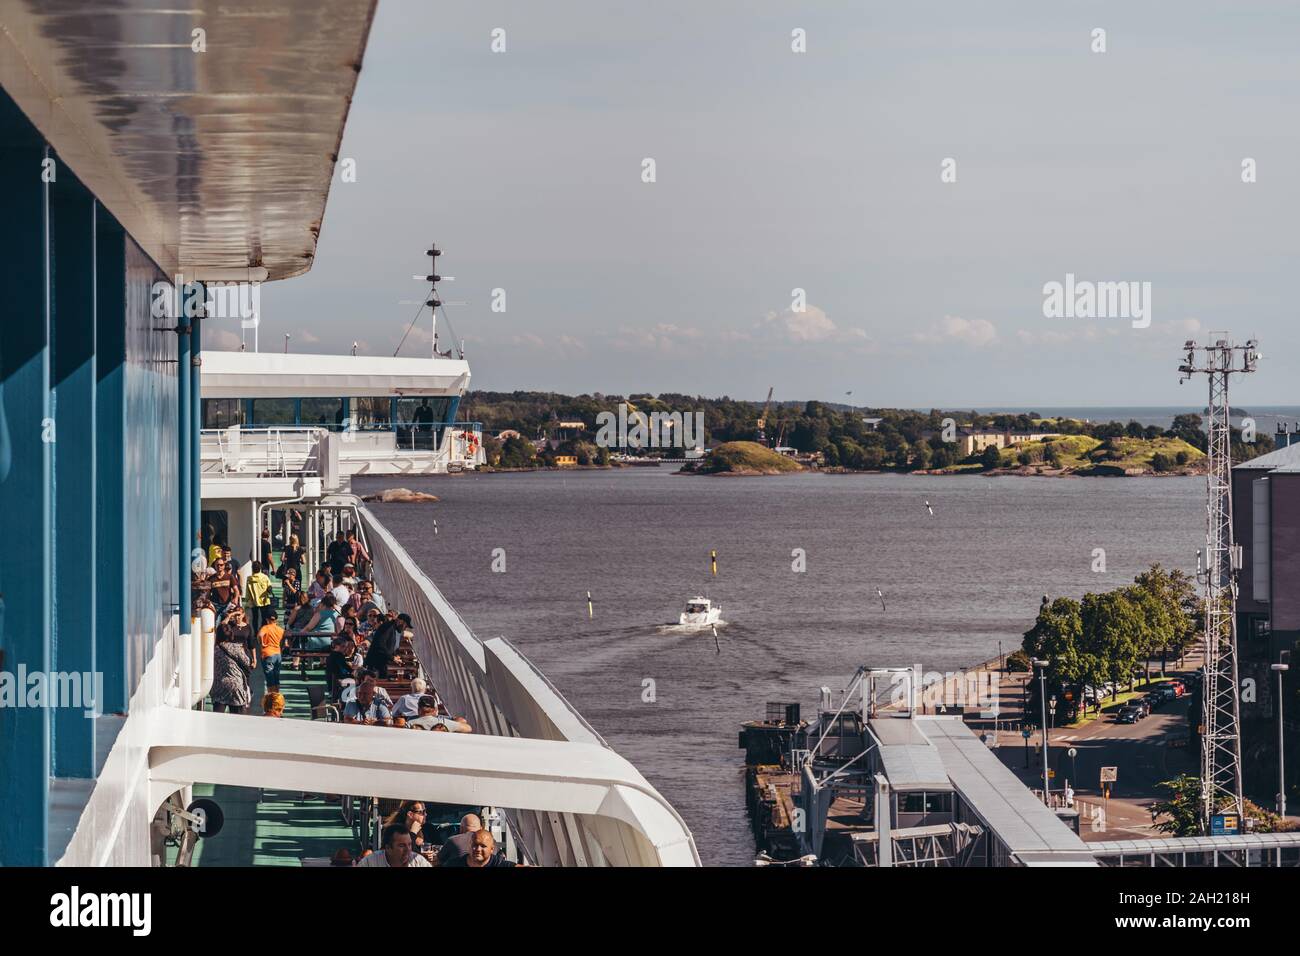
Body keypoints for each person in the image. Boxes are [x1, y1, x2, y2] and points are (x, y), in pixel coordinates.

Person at [211, 614, 254, 714]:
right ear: (231, 635)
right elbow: (247, 662)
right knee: (238, 719)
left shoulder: (213, 650)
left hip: (218, 686)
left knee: (217, 718)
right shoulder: (236, 648)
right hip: (236, 686)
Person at [356, 825, 431, 868]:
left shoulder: (419, 862)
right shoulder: (370, 862)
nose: (408, 850)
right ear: (388, 848)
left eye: (409, 844)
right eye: (402, 845)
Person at [441, 829, 515, 868]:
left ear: (492, 849)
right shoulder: (453, 864)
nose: (478, 849)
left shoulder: (498, 864)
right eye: (475, 845)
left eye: (483, 846)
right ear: (469, 846)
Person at [258, 611, 285, 691]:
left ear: (267, 619)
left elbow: (260, 635)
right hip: (278, 654)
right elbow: (283, 641)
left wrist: (262, 644)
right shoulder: (280, 629)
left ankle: (271, 697)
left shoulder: (265, 628)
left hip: (268, 654)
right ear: (276, 620)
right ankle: (277, 695)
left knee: (270, 678)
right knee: (276, 677)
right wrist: (281, 648)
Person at [245, 560, 272, 633]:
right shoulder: (265, 577)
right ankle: (264, 632)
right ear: (260, 568)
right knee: (264, 617)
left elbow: (247, 591)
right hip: (264, 601)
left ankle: (256, 633)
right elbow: (269, 588)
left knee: (255, 618)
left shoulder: (249, 578)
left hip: (254, 601)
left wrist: (247, 600)